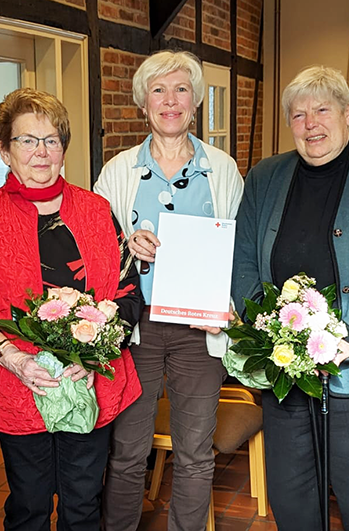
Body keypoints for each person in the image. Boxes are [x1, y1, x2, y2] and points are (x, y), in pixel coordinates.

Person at [232, 66, 349, 531]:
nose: (310, 123)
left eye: (321, 110)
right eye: (298, 115)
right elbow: (241, 261)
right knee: (292, 492)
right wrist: (271, 328)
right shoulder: (264, 176)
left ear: (348, 113)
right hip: (284, 364)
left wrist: (348, 337)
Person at [0, 88, 143, 531]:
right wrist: (16, 358)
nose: (41, 152)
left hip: (90, 377)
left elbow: (128, 289)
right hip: (18, 381)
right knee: (29, 504)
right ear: (4, 150)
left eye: (52, 140)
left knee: (83, 502)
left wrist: (96, 354)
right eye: (27, 140)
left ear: (63, 147)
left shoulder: (97, 210)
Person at [95, 50, 244, 530]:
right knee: (127, 451)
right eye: (158, 90)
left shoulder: (222, 169)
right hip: (135, 328)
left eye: (181, 89)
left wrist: (231, 309)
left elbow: (241, 248)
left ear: (196, 100)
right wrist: (125, 242)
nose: (170, 100)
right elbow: (93, 249)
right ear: (143, 103)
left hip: (199, 330)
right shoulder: (118, 171)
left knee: (196, 452)